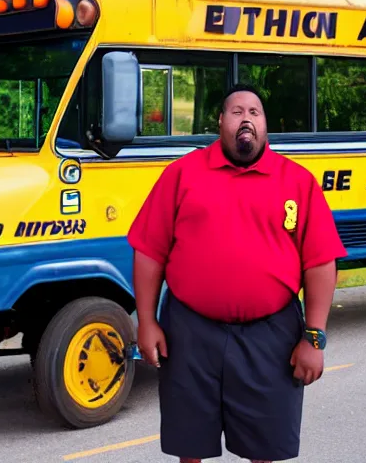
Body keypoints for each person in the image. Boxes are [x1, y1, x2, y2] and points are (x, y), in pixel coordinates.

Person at [127, 84, 348, 463]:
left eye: (255, 112)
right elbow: (149, 253)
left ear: (266, 126)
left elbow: (320, 263)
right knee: (189, 443)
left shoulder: (297, 182)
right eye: (236, 111)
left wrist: (314, 337)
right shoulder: (182, 175)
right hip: (190, 332)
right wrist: (146, 322)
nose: (246, 118)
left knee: (265, 444)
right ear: (221, 122)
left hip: (271, 336)